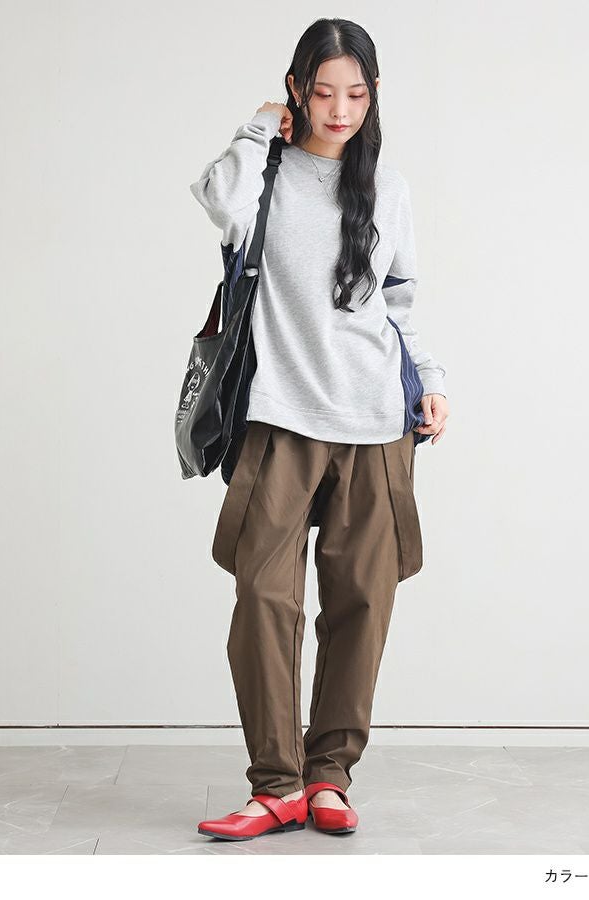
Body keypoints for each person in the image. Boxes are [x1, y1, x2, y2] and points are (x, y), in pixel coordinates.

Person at [188, 17, 450, 841]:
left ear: (374, 97)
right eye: (325, 91)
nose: (340, 110)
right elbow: (215, 198)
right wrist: (259, 125)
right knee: (263, 600)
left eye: (357, 94)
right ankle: (277, 784)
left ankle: (329, 775)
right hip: (279, 418)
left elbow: (398, 302)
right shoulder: (263, 177)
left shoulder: (388, 187)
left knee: (362, 603)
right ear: (297, 88)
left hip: (376, 422)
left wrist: (431, 383)